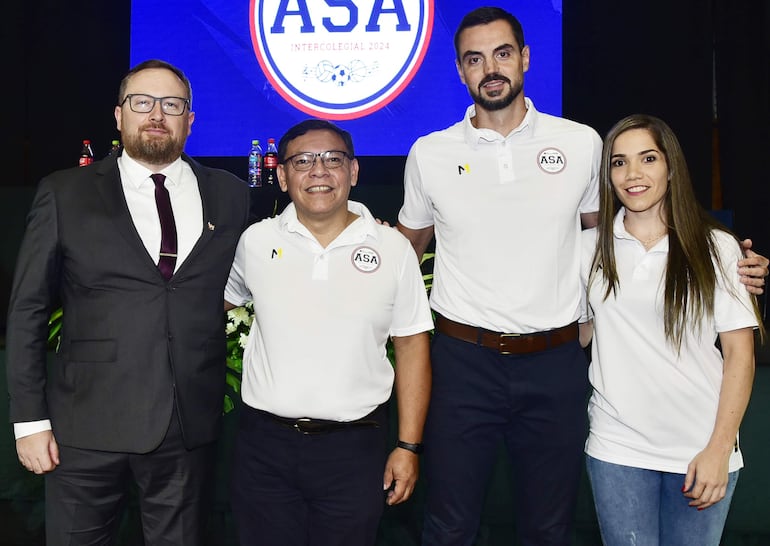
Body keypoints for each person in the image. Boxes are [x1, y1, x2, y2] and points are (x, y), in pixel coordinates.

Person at [395, 7, 769, 546]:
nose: (490, 68)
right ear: (459, 71)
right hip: (462, 363)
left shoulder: (581, 143)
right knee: (449, 524)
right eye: (474, 59)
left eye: (503, 53)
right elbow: (406, 249)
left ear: (525, 59)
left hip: (556, 364)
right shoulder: (429, 154)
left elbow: (616, 234)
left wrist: (729, 258)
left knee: (548, 528)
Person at [5, 59, 251, 545]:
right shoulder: (65, 192)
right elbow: (28, 311)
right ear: (119, 116)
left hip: (187, 429)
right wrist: (29, 421)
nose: (156, 114)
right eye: (142, 102)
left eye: (172, 105)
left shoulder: (231, 195)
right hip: (83, 430)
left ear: (190, 120)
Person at [224, 119, 433, 546]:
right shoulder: (255, 241)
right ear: (282, 176)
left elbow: (412, 346)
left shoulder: (392, 248)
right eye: (302, 161)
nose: (318, 170)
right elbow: (219, 304)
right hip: (264, 447)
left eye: (332, 159)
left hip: (354, 449)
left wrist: (408, 447)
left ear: (353, 172)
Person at [579, 114, 764, 546]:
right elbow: (579, 333)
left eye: (648, 158)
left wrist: (719, 449)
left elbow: (741, 355)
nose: (633, 174)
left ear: (670, 167)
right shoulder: (588, 249)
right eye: (619, 162)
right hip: (617, 449)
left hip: (700, 449)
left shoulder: (716, 246)